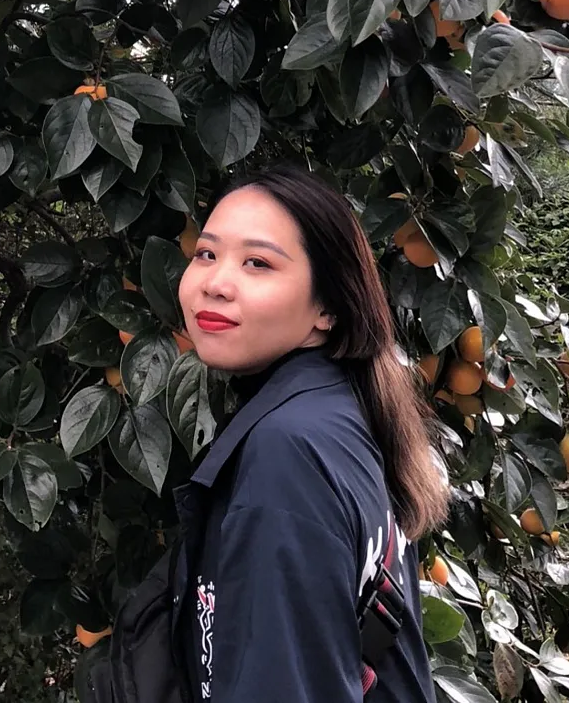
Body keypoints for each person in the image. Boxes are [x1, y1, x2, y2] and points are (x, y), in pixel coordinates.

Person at [172, 164, 449, 702]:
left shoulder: (287, 453)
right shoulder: (340, 412)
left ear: (327, 307)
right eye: (206, 254)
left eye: (257, 263)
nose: (214, 283)